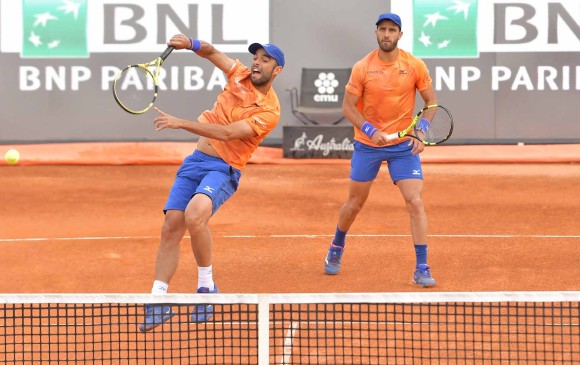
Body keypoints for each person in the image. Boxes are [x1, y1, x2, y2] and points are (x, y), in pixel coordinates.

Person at [139, 34, 285, 332]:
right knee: (171, 226)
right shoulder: (239, 73)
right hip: (195, 162)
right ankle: (158, 299)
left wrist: (181, 123)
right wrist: (190, 43)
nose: (257, 62)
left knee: (195, 215)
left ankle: (206, 289)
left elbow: (229, 134)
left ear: (276, 70)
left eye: (265, 60)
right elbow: (211, 52)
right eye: (256, 57)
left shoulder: (269, 111)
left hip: (224, 168)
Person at [323, 13, 438, 287]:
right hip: (368, 145)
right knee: (354, 204)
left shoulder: (414, 65)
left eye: (392, 30)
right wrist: (371, 132)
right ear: (376, 33)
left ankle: (422, 266)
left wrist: (420, 132)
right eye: (383, 30)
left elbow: (431, 103)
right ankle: (337, 246)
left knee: (416, 202)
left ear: (400, 35)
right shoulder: (362, 67)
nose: (387, 34)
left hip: (402, 146)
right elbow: (348, 108)